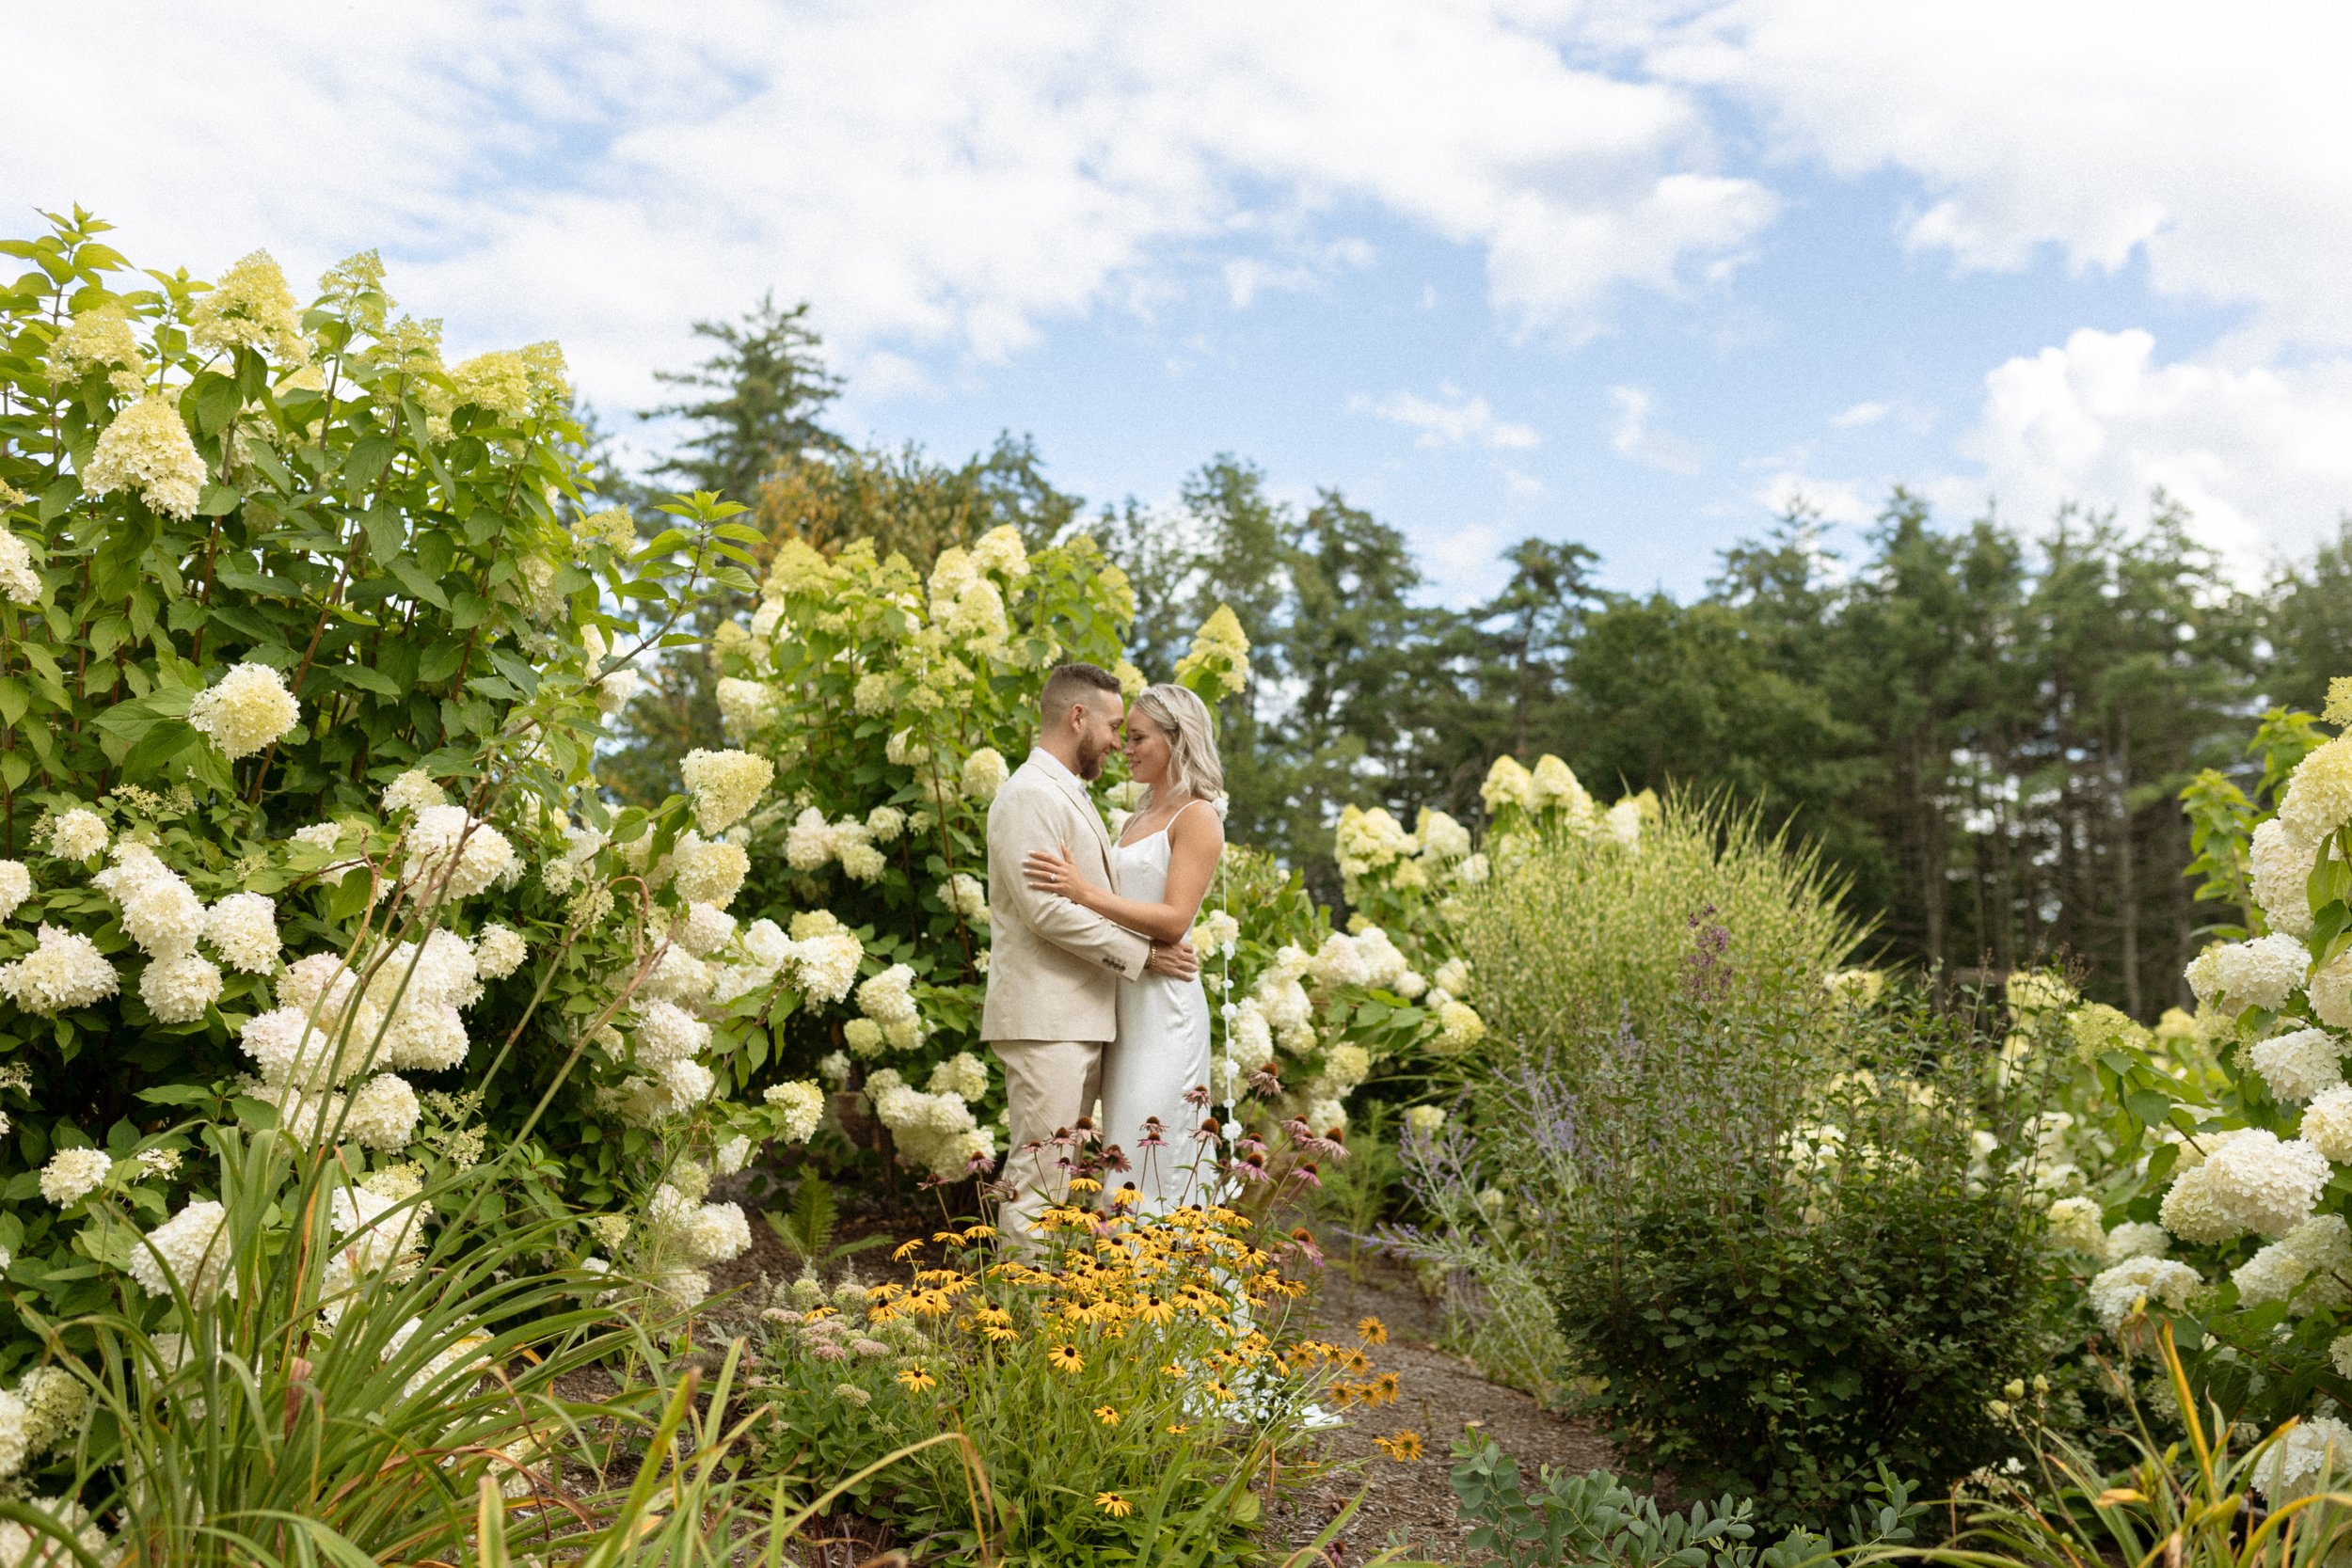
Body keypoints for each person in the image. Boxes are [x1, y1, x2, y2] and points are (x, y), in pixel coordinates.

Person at [981, 662, 1199, 1245]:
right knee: (1040, 1178)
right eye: (1110, 726)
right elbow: (1047, 912)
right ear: (1077, 717)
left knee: (1061, 1179)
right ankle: (1016, 1325)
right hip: (1045, 1018)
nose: (1115, 742)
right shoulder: (1029, 795)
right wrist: (1146, 957)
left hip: (1076, 1017)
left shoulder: (1065, 795)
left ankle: (1041, 1311)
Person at [1022, 681, 1225, 1211]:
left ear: (1177, 740)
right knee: (1121, 1149)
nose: (1125, 749)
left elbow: (1175, 921)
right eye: (1124, 736)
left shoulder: (1198, 817)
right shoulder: (1134, 820)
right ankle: (1123, 1282)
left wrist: (1082, 892)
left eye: (1138, 738)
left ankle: (1168, 1280)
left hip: (1164, 1008)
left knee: (1151, 1151)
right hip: (1123, 1003)